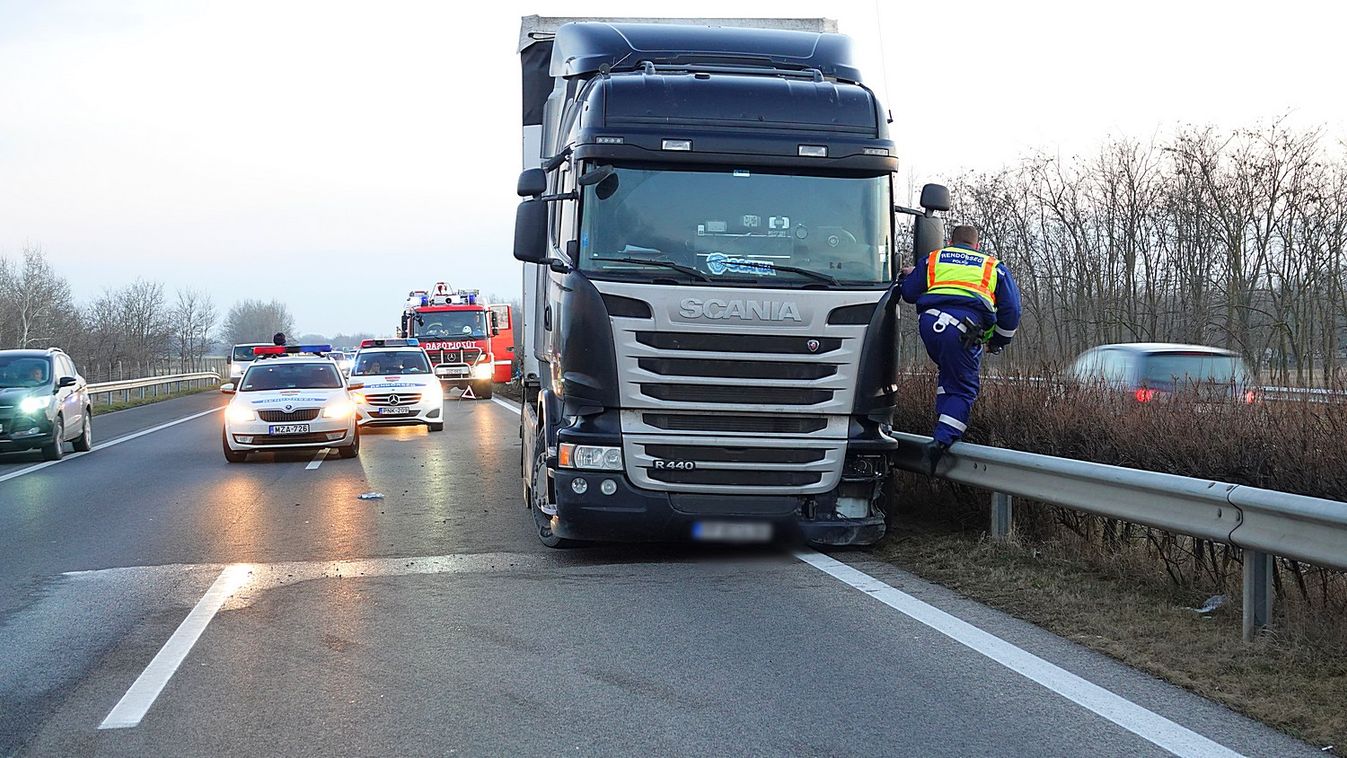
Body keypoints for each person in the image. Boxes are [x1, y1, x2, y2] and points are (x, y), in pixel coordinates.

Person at [899, 225, 1022, 473]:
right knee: (964, 389)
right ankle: (941, 442)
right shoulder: (992, 266)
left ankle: (943, 424)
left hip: (929, 324)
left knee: (950, 376)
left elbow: (909, 293)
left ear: (951, 242)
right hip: (962, 332)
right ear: (976, 245)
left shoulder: (935, 258)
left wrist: (910, 276)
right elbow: (1011, 312)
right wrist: (997, 341)